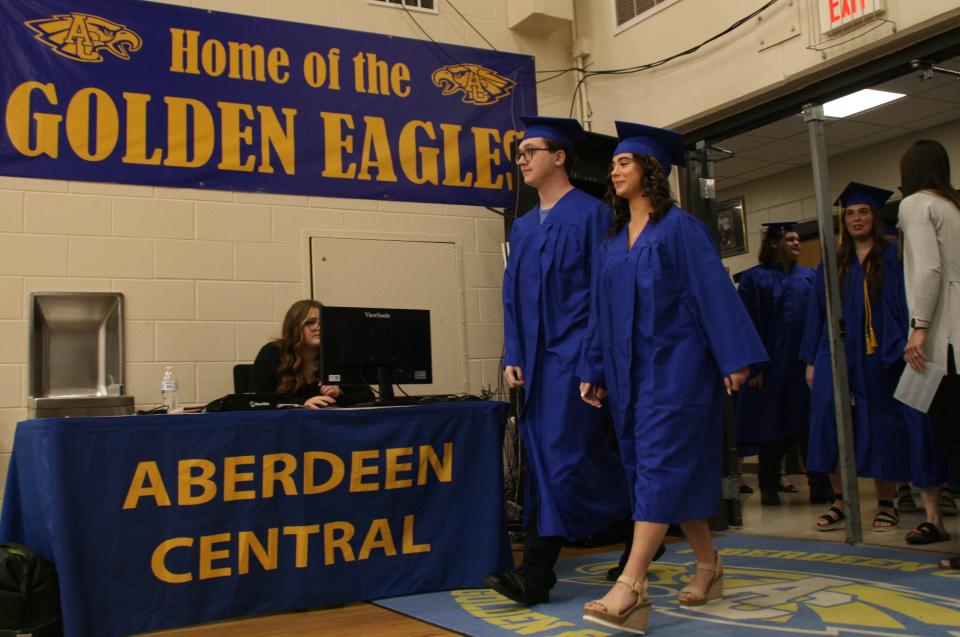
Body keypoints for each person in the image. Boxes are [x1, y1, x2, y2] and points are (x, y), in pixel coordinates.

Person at [578, 122, 766, 634]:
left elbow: (713, 293)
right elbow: (600, 310)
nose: (614, 170)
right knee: (651, 471)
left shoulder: (680, 229)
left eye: (625, 162)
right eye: (613, 163)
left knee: (660, 466)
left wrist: (734, 358)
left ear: (650, 171)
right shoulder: (612, 240)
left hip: (679, 370)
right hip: (627, 375)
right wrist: (592, 367)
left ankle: (632, 585)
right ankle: (709, 564)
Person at [486, 116, 633, 606]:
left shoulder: (592, 215)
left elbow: (602, 295)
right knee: (552, 463)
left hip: (573, 361)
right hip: (535, 368)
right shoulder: (525, 225)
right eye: (519, 153)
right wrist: (513, 352)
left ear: (560, 156)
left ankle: (538, 574)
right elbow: (512, 296)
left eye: (530, 150)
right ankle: (640, 528)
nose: (521, 159)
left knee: (563, 460)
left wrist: (592, 362)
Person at [801, 182, 916, 533]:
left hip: (880, 353)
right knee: (830, 422)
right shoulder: (832, 260)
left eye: (863, 211)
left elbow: (905, 305)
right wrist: (811, 360)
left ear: (875, 217)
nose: (856, 218)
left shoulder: (892, 257)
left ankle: (886, 502)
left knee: (882, 424)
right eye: (850, 213)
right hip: (834, 352)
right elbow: (816, 312)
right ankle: (842, 501)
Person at [736, 222, 831, 505]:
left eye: (798, 239)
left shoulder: (810, 278)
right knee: (770, 429)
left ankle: (820, 485)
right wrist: (754, 367)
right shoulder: (755, 279)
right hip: (770, 366)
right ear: (775, 243)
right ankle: (768, 486)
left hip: (802, 364)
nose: (796, 244)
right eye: (790, 239)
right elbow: (747, 325)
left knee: (809, 427)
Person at [898, 139, 960, 566]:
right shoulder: (952, 206)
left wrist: (919, 327)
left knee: (954, 442)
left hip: (945, 342)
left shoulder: (916, 204)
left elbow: (930, 268)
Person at [248, 299, 373, 407]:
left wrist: (339, 394)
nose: (319, 327)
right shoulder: (272, 352)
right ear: (295, 327)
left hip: (326, 424)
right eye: (311, 322)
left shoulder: (336, 354)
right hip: (287, 425)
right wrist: (302, 404)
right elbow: (259, 401)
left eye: (323, 322)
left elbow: (368, 396)